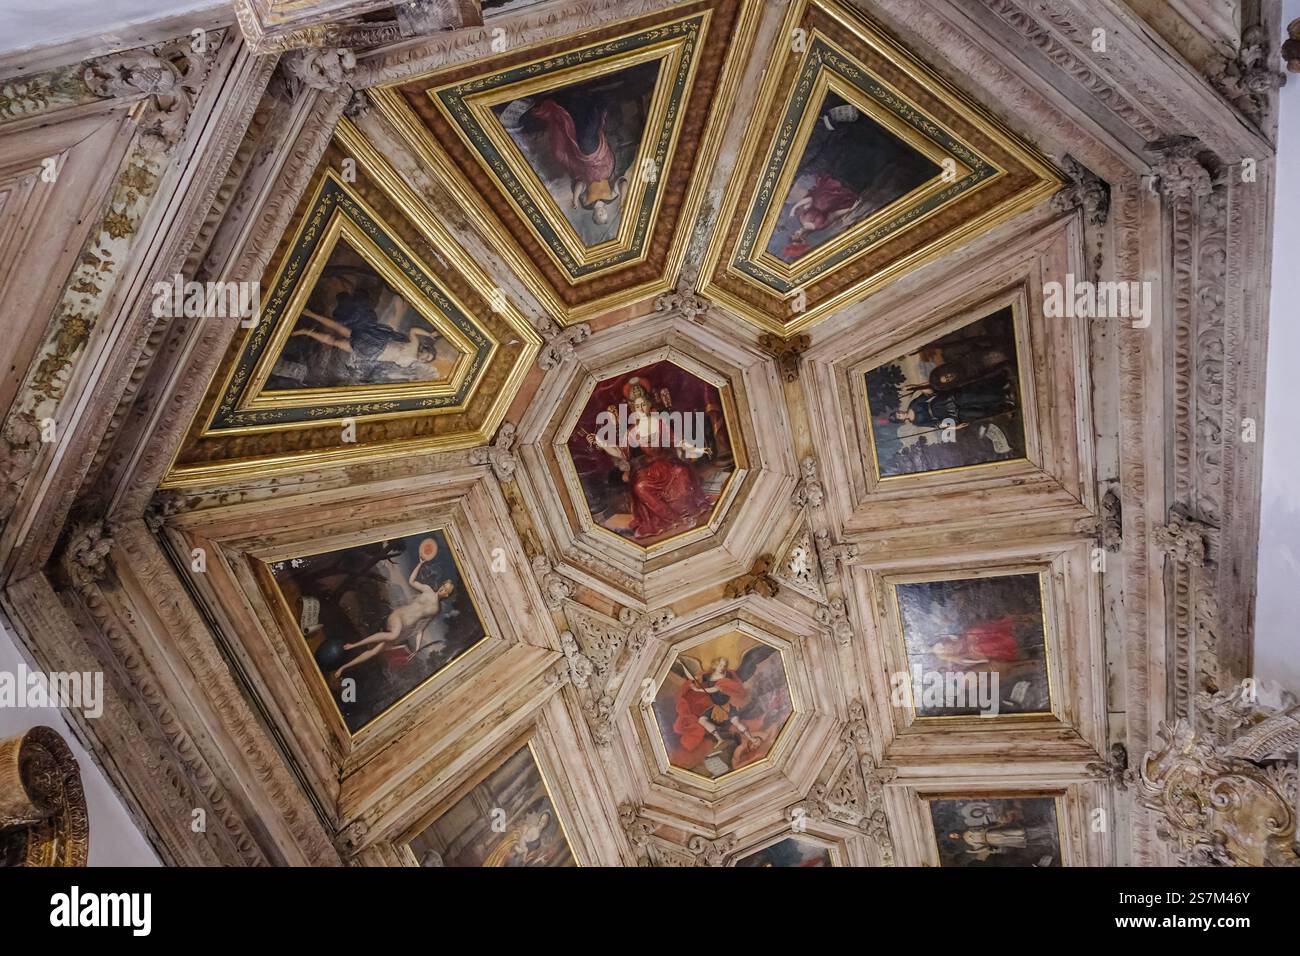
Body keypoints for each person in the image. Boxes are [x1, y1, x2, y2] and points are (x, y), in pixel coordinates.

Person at [332, 557, 455, 680]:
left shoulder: (435, 610)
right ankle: (354, 645)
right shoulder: (427, 590)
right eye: (443, 586)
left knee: (374, 652)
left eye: (445, 590)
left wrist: (417, 649)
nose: (442, 589)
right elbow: (411, 581)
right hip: (398, 617)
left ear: (446, 595)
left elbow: (421, 629)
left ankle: (343, 668)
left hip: (404, 629)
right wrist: (420, 563)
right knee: (393, 635)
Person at [290, 293, 442, 381]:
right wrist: (429, 334)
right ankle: (310, 314)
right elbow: (414, 330)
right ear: (424, 350)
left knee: (336, 342)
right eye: (426, 355)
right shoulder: (413, 347)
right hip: (374, 341)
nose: (424, 358)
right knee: (340, 328)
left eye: (426, 360)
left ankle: (306, 332)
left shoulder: (410, 365)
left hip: (370, 353)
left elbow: (394, 373)